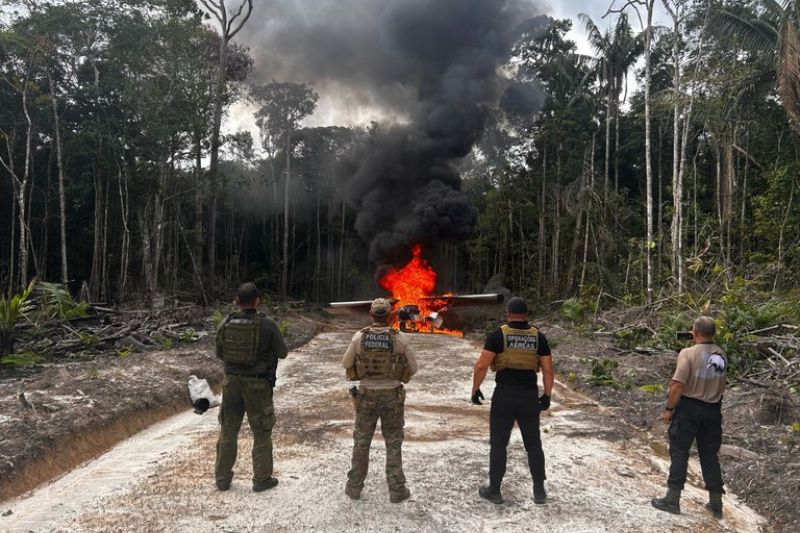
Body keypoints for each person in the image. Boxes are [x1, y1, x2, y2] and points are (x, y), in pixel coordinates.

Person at [471, 296, 553, 505]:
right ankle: (539, 491)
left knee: (498, 444)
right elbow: (548, 370)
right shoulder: (538, 337)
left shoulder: (498, 335)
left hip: (504, 396)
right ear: (526, 315)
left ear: (508, 314)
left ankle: (495, 491)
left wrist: (476, 389)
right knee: (533, 444)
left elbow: (481, 366)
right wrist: (547, 395)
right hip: (528, 395)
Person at [343, 298, 418, 503]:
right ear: (390, 315)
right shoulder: (399, 338)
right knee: (393, 443)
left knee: (361, 442)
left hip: (366, 395)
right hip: (391, 397)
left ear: (371, 314)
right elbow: (414, 367)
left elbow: (346, 363)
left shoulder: (359, 337)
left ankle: (354, 488)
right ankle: (396, 491)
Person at [214, 282, 288, 492]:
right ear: (258, 300)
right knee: (261, 431)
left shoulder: (226, 322)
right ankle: (262, 479)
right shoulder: (268, 324)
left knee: (228, 429)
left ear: (237, 302)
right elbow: (282, 353)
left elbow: (220, 353)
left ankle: (222, 478)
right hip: (258, 384)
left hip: (231, 382)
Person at [652, 316, 728, 518]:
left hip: (689, 409)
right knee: (709, 455)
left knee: (679, 451)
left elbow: (678, 384)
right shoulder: (721, 354)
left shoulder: (688, 353)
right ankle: (715, 502)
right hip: (713, 410)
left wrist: (669, 408)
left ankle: (672, 498)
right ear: (713, 333)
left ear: (694, 332)